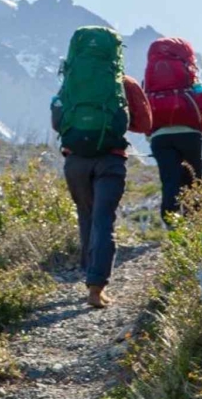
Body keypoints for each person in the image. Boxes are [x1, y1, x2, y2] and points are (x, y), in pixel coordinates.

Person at [50, 26, 151, 308]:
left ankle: (89, 274)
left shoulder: (70, 82)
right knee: (104, 219)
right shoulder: (124, 83)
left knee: (86, 217)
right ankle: (96, 287)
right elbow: (145, 124)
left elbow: (57, 122)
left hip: (76, 161)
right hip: (110, 159)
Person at [141, 37, 202, 218]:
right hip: (190, 135)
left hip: (160, 137)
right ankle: (193, 223)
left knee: (169, 180)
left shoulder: (148, 80)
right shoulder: (190, 76)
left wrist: (150, 135)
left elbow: (144, 108)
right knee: (193, 180)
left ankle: (171, 224)